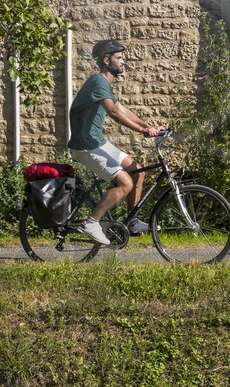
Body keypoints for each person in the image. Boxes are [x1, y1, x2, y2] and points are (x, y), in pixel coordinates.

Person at [67, 39, 162, 246]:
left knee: (137, 171)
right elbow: (113, 113)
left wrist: (150, 125)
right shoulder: (97, 81)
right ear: (106, 60)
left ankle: (132, 222)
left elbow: (122, 110)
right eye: (119, 58)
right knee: (125, 182)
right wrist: (143, 130)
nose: (123, 62)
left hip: (97, 143)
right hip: (85, 146)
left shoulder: (104, 85)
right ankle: (91, 222)